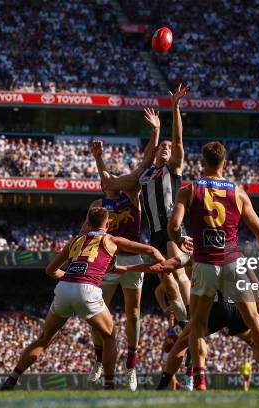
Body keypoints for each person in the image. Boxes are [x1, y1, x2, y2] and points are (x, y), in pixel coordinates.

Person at [167, 141, 259, 390]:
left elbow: (173, 227)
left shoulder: (189, 190)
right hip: (232, 263)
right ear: (224, 163)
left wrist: (179, 239)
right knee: (254, 320)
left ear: (202, 163)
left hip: (204, 264)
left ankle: (199, 378)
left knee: (197, 324)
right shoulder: (237, 192)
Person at [0, 207, 165, 391]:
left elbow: (50, 270)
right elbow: (150, 250)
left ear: (88, 223)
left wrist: (73, 279)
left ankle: (12, 379)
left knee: (44, 339)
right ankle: (109, 386)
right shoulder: (111, 239)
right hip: (87, 291)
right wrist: (162, 264)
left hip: (64, 288)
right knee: (109, 337)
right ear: (108, 224)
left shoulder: (75, 241)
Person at [95, 84, 191, 328]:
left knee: (178, 272)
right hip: (155, 233)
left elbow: (178, 140)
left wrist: (175, 106)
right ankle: (183, 321)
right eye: (163, 147)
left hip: (173, 228)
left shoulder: (174, 168)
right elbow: (110, 182)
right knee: (167, 281)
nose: (167, 149)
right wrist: (98, 159)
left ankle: (193, 316)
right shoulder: (145, 175)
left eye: (169, 149)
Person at [85, 108, 161, 391]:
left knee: (134, 313)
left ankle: (131, 366)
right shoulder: (99, 205)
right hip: (108, 261)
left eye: (109, 177)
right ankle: (98, 360)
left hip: (132, 259)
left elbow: (146, 161)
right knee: (96, 312)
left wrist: (155, 131)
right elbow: (104, 176)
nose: (108, 179)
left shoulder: (131, 191)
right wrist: (97, 158)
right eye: (105, 179)